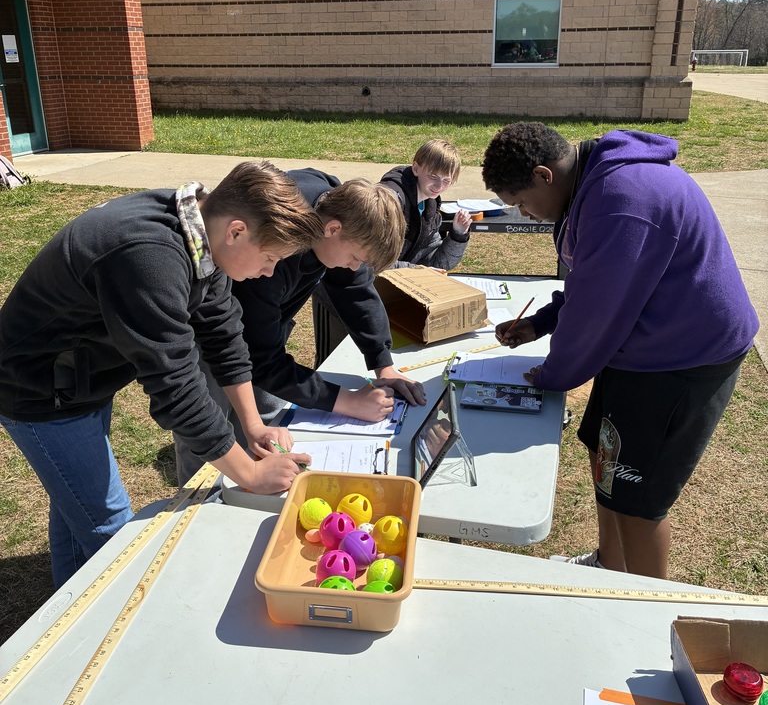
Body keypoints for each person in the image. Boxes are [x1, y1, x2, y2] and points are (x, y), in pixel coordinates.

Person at [0, 161, 322, 587]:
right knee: (110, 528)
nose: (268, 272)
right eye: (270, 258)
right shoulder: (148, 254)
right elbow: (177, 388)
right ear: (238, 231)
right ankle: (102, 624)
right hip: (37, 391)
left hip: (80, 378)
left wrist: (253, 424)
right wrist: (250, 474)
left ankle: (67, 600)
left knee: (74, 502)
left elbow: (223, 334)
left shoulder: (199, 234)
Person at [482, 122, 758, 580]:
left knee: (638, 499)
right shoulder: (593, 184)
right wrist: (542, 323)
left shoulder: (621, 200)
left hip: (685, 358)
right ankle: (608, 567)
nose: (525, 215)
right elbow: (594, 282)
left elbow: (597, 314)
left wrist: (552, 374)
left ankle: (646, 608)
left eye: (522, 203)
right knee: (606, 456)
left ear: (544, 175)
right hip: (645, 343)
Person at [174, 170, 427, 486]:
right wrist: (348, 401)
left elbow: (355, 289)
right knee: (206, 430)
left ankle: (248, 484)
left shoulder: (341, 208)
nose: (353, 267)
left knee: (270, 422)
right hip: (214, 333)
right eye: (353, 258)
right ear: (332, 229)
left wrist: (383, 364)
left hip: (265, 330)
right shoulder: (272, 254)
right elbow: (259, 359)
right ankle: (196, 498)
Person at [379, 137, 472, 269]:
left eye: (447, 180)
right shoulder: (389, 202)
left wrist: (458, 235)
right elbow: (372, 261)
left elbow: (437, 263)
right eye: (433, 177)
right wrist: (415, 271)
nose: (439, 186)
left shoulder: (429, 207)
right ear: (416, 168)